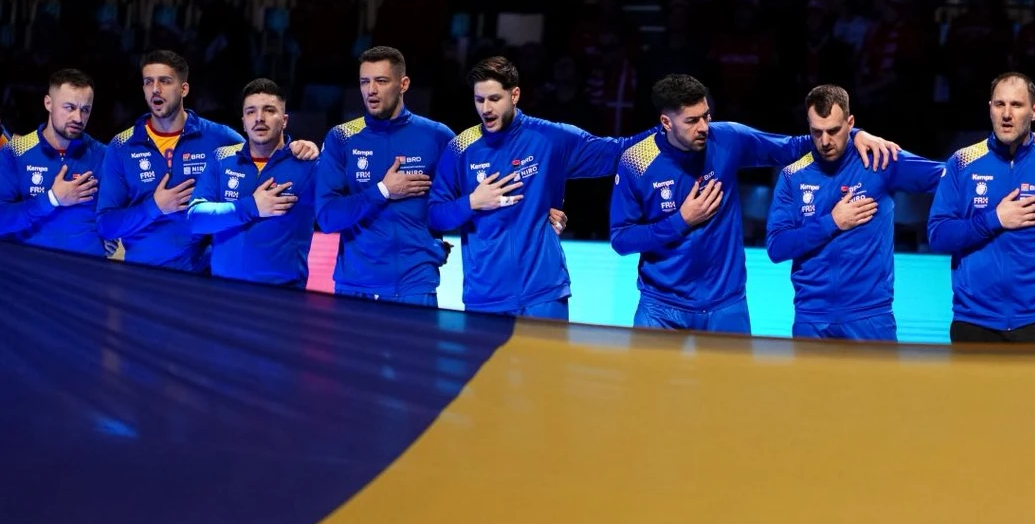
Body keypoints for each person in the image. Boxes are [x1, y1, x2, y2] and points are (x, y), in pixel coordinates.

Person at [609, 74, 897, 334]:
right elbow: (621, 240)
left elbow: (793, 147)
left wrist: (856, 134)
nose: (704, 127)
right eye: (692, 120)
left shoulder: (728, 138)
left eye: (706, 116)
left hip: (727, 304)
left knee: (733, 394)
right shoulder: (636, 162)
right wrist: (681, 220)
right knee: (653, 392)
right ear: (666, 122)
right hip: (661, 307)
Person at [428, 56, 649, 320]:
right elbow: (435, 215)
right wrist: (472, 202)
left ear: (515, 95)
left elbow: (617, 152)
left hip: (544, 294)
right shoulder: (460, 149)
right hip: (485, 298)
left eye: (494, 99)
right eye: (479, 100)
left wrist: (670, 131)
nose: (486, 108)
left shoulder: (549, 138)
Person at [927, 73, 1035, 343]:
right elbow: (938, 235)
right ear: (990, 109)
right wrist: (995, 219)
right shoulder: (961, 162)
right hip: (974, 321)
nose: (1006, 114)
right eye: (999, 105)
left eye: (1017, 105)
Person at [764, 85, 942, 341]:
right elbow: (777, 247)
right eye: (817, 132)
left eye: (834, 131)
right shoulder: (793, 175)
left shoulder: (880, 160)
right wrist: (832, 222)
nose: (825, 141)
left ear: (850, 122)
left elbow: (950, 177)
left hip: (870, 316)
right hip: (811, 318)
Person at [316, 46, 455, 307]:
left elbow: (464, 199)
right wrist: (382, 190)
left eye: (381, 81)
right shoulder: (341, 138)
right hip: (355, 286)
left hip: (415, 284)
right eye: (365, 82)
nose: (371, 90)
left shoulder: (438, 136)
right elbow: (327, 218)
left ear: (403, 84)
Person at [96, 51, 245, 272]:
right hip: (142, 280)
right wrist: (154, 206)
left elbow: (264, 155)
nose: (155, 89)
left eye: (165, 81)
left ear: (184, 89)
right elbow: (106, 226)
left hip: (202, 280)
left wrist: (295, 147)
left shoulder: (218, 138)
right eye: (149, 82)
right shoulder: (121, 147)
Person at [187, 78, 317, 288]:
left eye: (268, 110)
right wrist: (252, 207)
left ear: (284, 120)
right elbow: (195, 219)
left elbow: (334, 217)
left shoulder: (308, 165)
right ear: (243, 122)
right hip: (223, 294)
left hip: (282, 298)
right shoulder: (221, 159)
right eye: (251, 112)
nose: (259, 118)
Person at [0, 68, 106, 256]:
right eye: (69, 107)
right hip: (32, 272)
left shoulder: (103, 156)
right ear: (48, 103)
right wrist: (52, 199)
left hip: (88, 274)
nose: (78, 118)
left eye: (85, 110)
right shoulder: (15, 152)